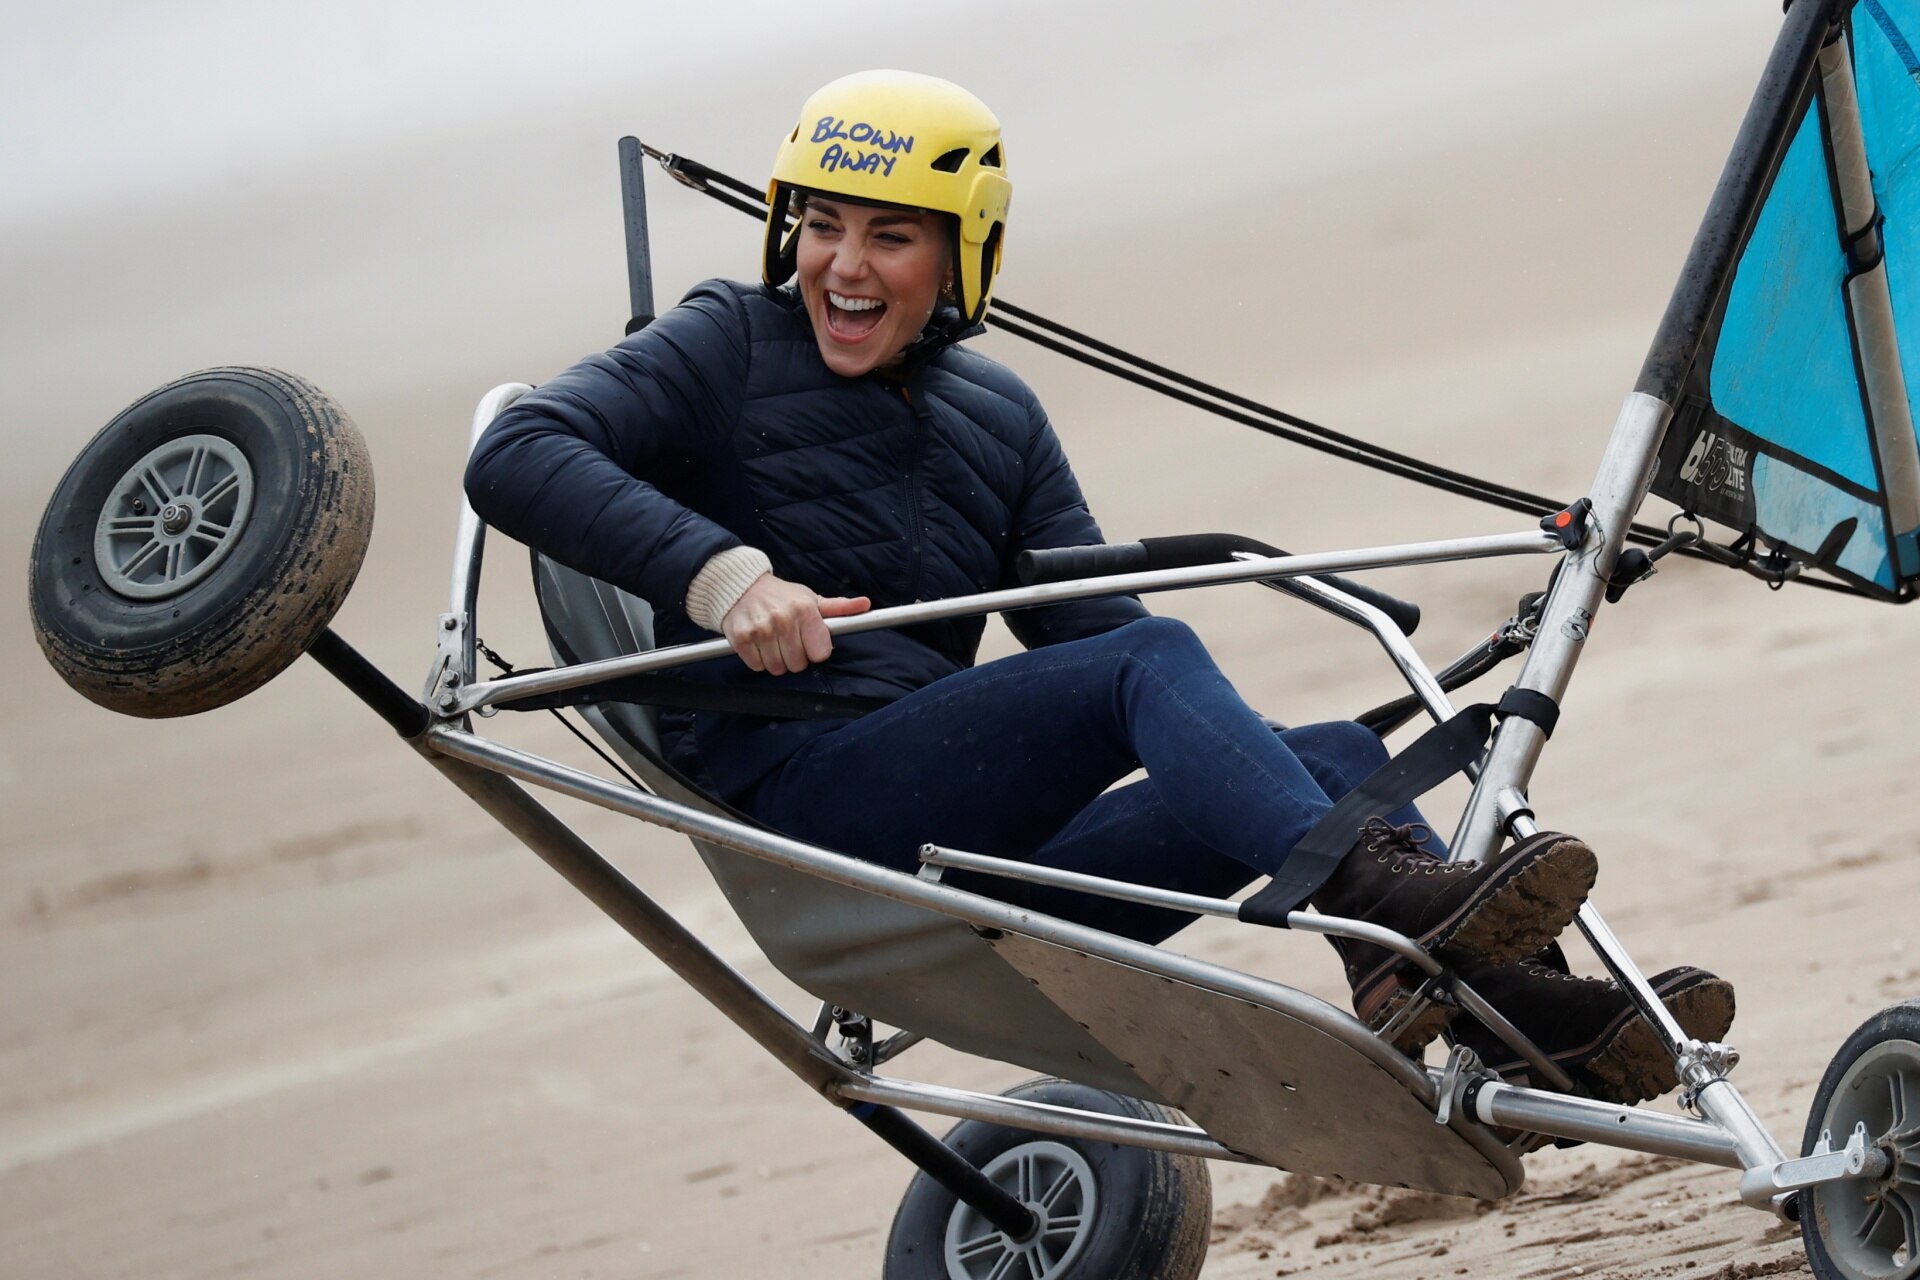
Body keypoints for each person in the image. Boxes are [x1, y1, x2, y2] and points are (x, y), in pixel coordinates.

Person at [465, 70, 1733, 1104]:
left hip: (972, 852)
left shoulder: (997, 413)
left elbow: (1098, 643)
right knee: (1167, 675)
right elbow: (515, 450)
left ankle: (1519, 1019)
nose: (843, 266)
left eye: (890, 236)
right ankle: (1373, 898)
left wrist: (1260, 763)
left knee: (1335, 747)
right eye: (822, 224)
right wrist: (725, 578)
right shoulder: (725, 339)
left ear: (966, 250)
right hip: (816, 813)